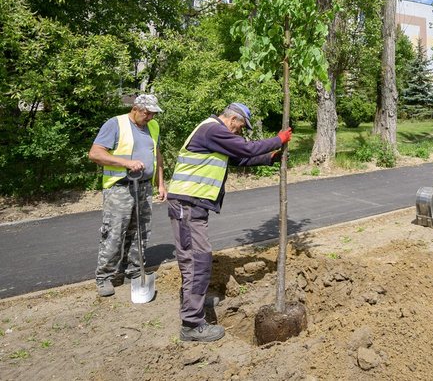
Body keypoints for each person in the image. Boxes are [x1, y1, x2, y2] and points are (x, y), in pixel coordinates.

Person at [166, 103, 291, 342]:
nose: (239, 131)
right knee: (197, 261)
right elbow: (245, 148)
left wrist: (270, 157)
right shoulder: (212, 130)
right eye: (241, 126)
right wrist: (278, 139)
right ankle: (192, 324)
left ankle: (195, 305)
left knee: (196, 259)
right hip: (188, 206)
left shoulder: (214, 134)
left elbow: (239, 159)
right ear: (233, 119)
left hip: (192, 205)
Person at [88, 94, 167, 298]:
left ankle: (134, 269)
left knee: (141, 231)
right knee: (114, 232)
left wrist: (161, 183)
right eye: (146, 112)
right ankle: (105, 276)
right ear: (135, 108)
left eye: (153, 113)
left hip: (143, 187)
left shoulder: (153, 126)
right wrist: (126, 163)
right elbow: (95, 154)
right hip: (120, 188)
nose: (150, 117)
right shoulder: (115, 124)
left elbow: (156, 154)